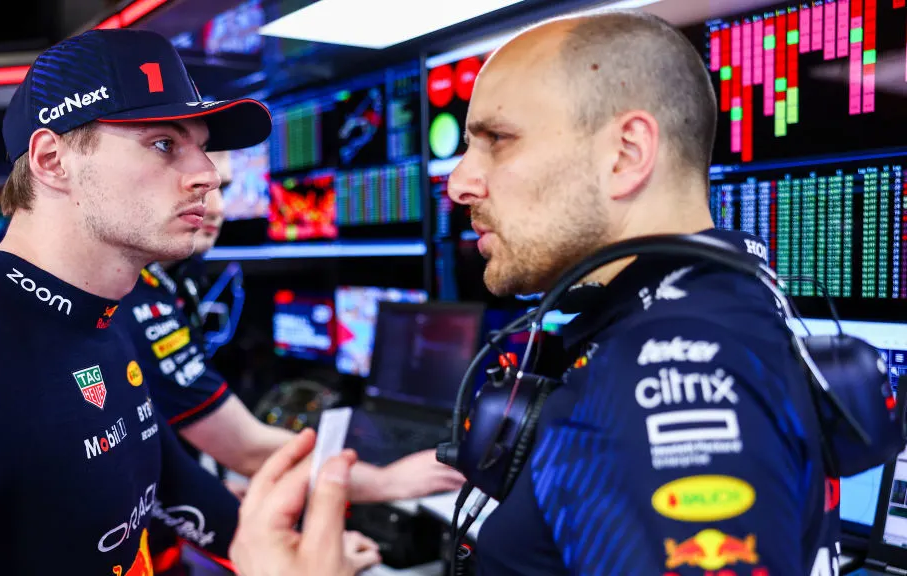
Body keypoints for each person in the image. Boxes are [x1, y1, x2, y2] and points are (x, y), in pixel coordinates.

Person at [225, 10, 845, 576]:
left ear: (626, 154)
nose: (459, 183)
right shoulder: (707, 314)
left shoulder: (664, 375)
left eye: (497, 139)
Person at [0, 28, 276, 575]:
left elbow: (170, 486)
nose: (208, 176)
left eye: (202, 147)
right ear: (51, 160)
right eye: (164, 143)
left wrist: (293, 555)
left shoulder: (104, 315)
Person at [120, 150, 465, 572]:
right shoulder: (139, 300)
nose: (218, 208)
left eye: (223, 188)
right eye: (198, 186)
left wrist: (215, 493)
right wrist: (386, 482)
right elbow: (245, 447)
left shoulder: (168, 281)